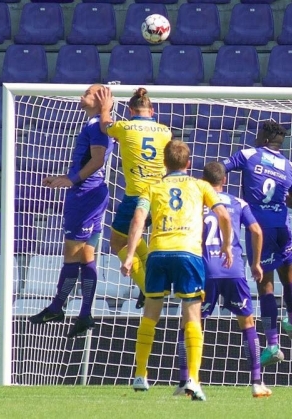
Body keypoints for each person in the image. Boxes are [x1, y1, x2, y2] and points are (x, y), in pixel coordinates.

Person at [122, 140, 233, 401]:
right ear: (188, 163)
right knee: (192, 315)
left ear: (164, 162)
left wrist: (129, 256)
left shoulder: (153, 187)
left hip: (159, 252)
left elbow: (138, 220)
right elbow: (225, 217)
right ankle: (193, 379)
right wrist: (227, 246)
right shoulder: (201, 185)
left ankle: (140, 373)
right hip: (188, 253)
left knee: (151, 313)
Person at [173, 161, 270, 398]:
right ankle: (257, 383)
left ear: (203, 181)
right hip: (233, 270)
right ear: (224, 180)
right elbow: (257, 231)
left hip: (203, 270)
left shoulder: (196, 202)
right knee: (247, 323)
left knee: (190, 324)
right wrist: (256, 263)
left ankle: (186, 381)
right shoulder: (238, 203)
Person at [29, 84, 114, 338]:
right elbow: (90, 162)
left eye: (87, 93)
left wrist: (73, 180)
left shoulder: (95, 126)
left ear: (98, 100)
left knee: (72, 255)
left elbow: (98, 160)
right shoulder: (98, 124)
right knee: (88, 256)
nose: (81, 96)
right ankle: (85, 313)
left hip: (84, 196)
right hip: (93, 193)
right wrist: (63, 177)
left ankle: (57, 307)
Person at [222, 120, 292, 368]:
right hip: (282, 226)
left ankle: (273, 344)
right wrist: (278, 198)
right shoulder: (291, 167)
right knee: (289, 277)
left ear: (265, 138)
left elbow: (220, 168)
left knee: (265, 285)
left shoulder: (248, 154)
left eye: (258, 135)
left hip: (260, 228)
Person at [95, 86, 172, 309]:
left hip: (137, 196)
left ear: (130, 110)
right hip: (160, 195)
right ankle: (154, 281)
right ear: (152, 110)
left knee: (118, 241)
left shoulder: (124, 128)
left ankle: (151, 290)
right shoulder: (165, 131)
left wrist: (105, 109)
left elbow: (104, 126)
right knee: (136, 238)